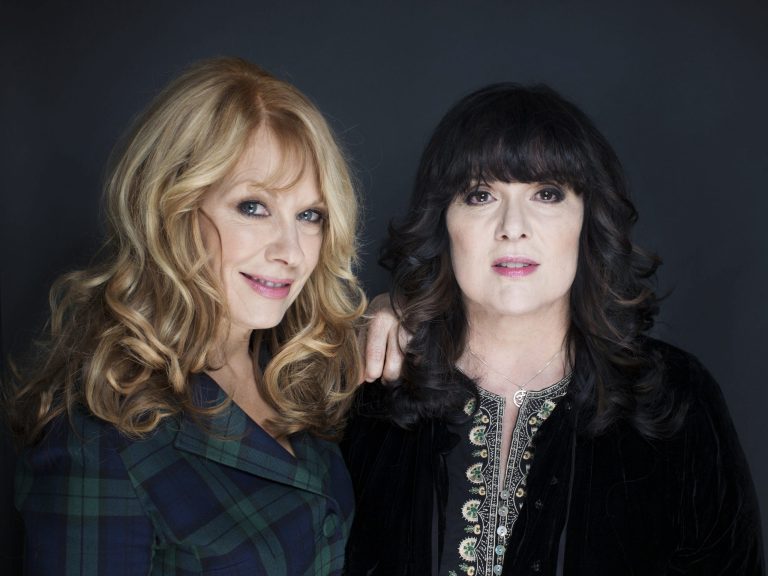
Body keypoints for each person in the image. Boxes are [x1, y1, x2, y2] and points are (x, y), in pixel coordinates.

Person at [343, 84, 764, 575]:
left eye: (547, 194)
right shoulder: (375, 391)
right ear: (443, 223)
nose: (513, 226)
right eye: (480, 195)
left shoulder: (674, 398)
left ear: (587, 220)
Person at [6, 57, 366, 575]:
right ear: (171, 208)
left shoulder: (298, 374)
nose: (291, 251)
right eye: (253, 207)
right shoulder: (97, 442)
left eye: (309, 216)